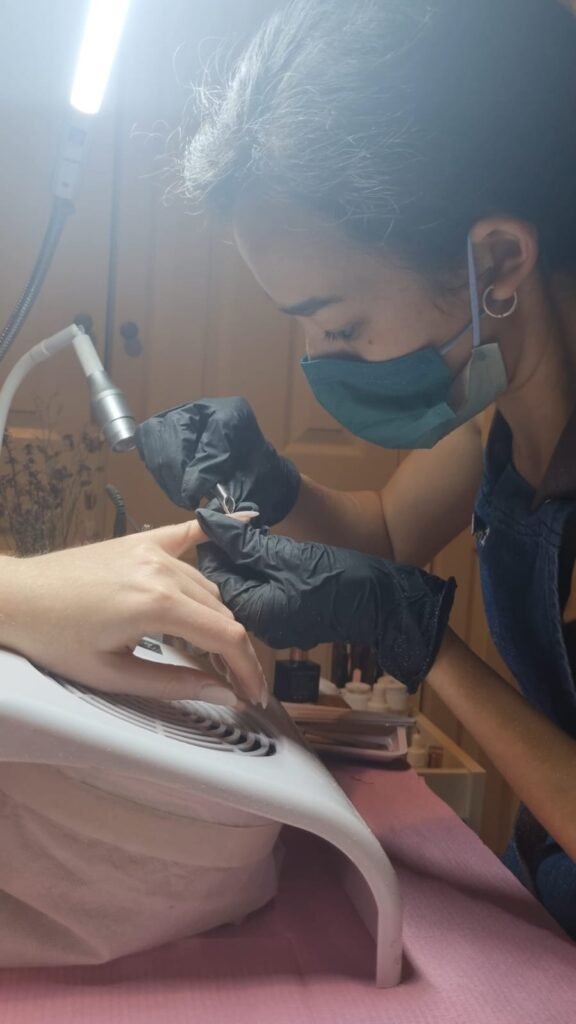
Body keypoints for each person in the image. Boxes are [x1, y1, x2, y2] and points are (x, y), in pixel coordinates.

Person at [135, 0, 576, 937]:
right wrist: (270, 486)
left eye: (340, 325)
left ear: (498, 259)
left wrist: (423, 640)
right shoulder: (503, 412)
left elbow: (392, 591)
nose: (322, 361)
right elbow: (383, 533)